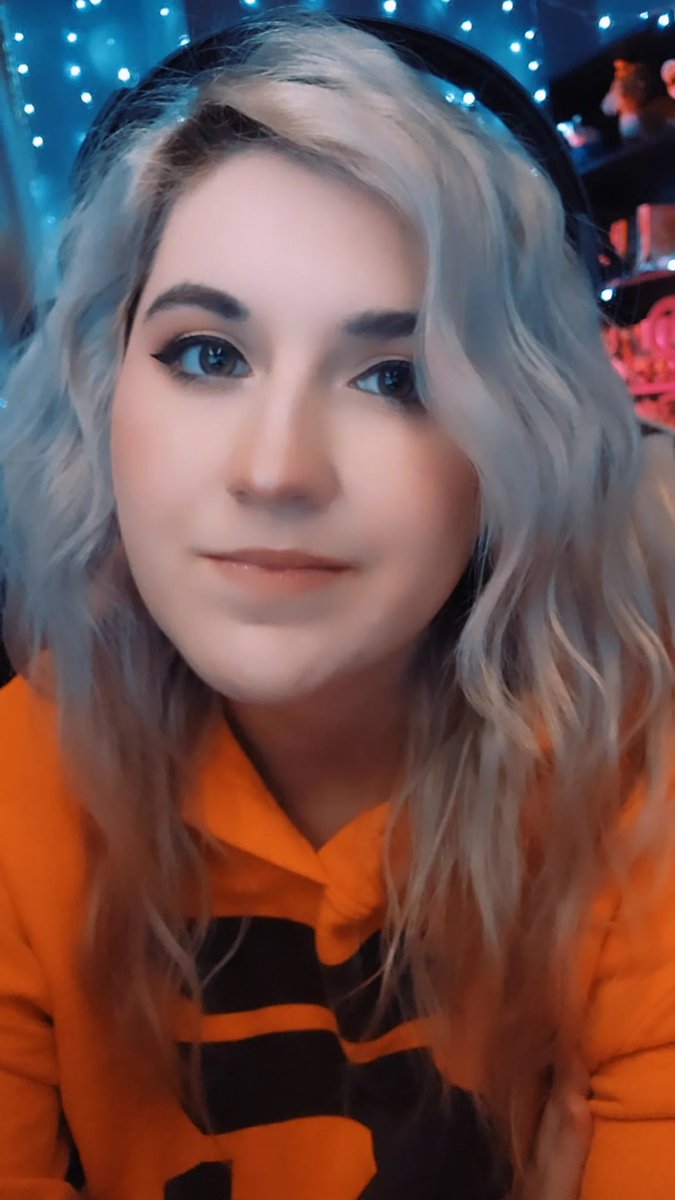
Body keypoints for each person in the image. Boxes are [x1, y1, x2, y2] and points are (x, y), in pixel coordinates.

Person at [0, 11, 672, 1198]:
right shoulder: (19, 795)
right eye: (208, 354)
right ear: (103, 400)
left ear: (513, 448)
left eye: (396, 378)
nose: (276, 471)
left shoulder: (634, 782)